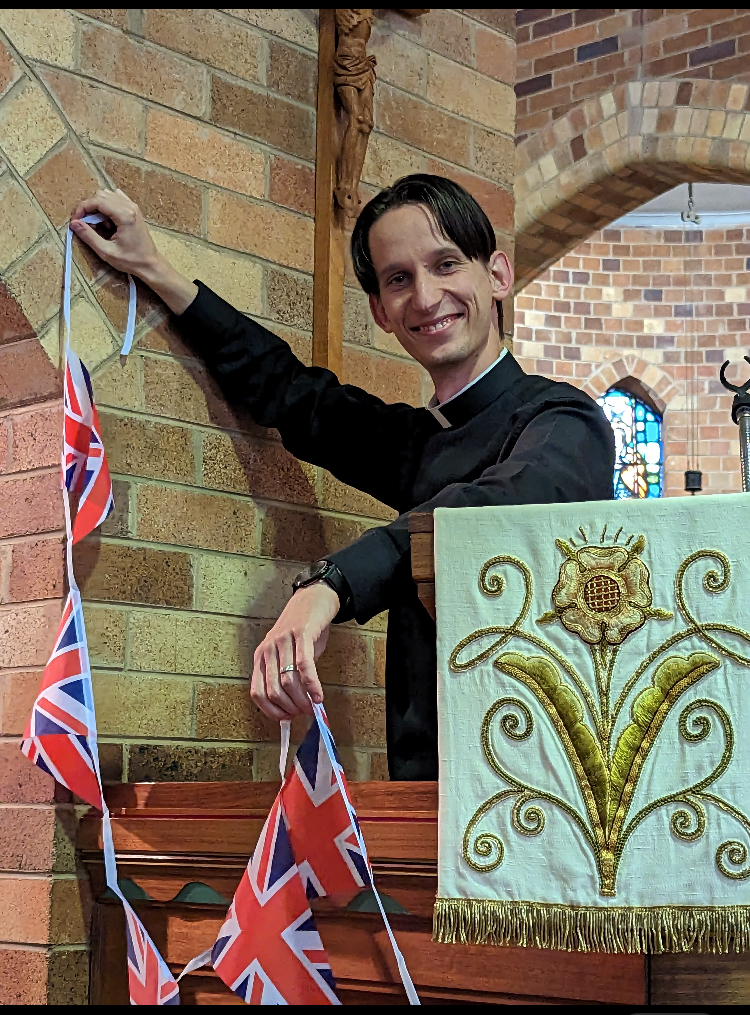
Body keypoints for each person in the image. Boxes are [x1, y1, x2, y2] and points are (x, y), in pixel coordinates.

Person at [71, 174, 615, 780]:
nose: (427, 297)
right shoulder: (421, 443)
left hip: (540, 792)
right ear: (381, 312)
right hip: (426, 788)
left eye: (446, 264)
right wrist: (156, 270)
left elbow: (486, 512)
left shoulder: (566, 421)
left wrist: (328, 585)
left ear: (497, 275)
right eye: (399, 279)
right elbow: (293, 394)